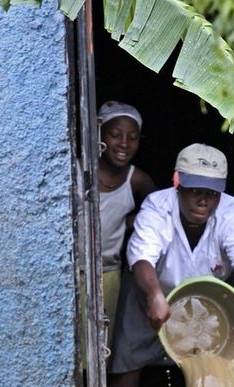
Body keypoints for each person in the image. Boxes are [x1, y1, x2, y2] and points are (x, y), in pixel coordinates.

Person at [108, 143, 234, 387]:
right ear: (177, 182)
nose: (203, 200)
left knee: (229, 361)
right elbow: (142, 260)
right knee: (127, 364)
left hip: (213, 301)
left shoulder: (230, 212)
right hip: (153, 291)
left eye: (212, 193)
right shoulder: (157, 208)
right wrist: (154, 296)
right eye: (194, 191)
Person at [97, 101, 156, 351]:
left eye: (132, 137)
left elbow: (158, 211)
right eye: (115, 135)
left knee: (103, 343)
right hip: (74, 270)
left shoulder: (137, 180)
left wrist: (129, 222)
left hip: (110, 271)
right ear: (99, 135)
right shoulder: (80, 169)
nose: (123, 143)